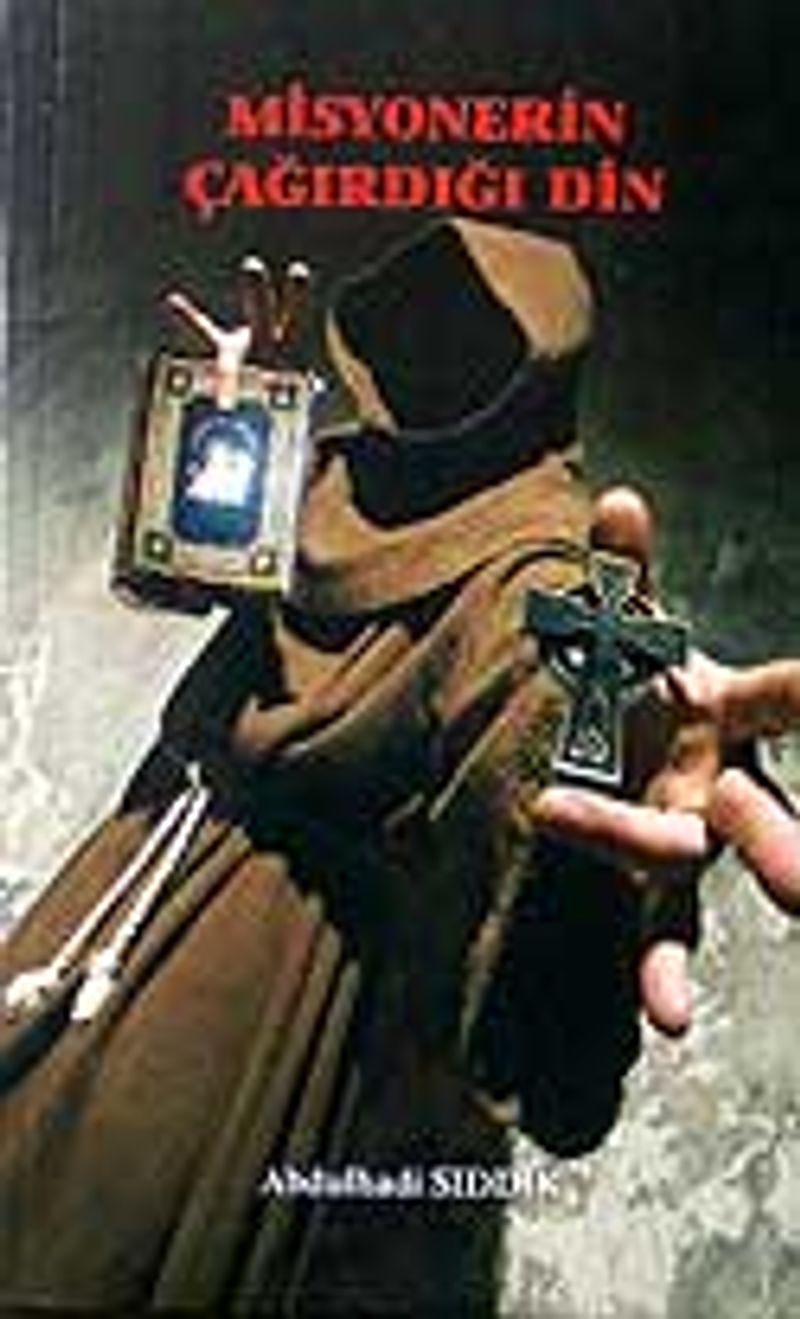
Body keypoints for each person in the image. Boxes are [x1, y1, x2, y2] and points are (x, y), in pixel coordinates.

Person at [1, 216, 798, 1313]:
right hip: (150, 860)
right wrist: (237, 416)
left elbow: (538, 674)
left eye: (476, 338)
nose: (436, 359)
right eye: (424, 326)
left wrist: (625, 731)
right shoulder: (340, 475)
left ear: (530, 374)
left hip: (294, 978)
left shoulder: (537, 558)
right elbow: (177, 574)